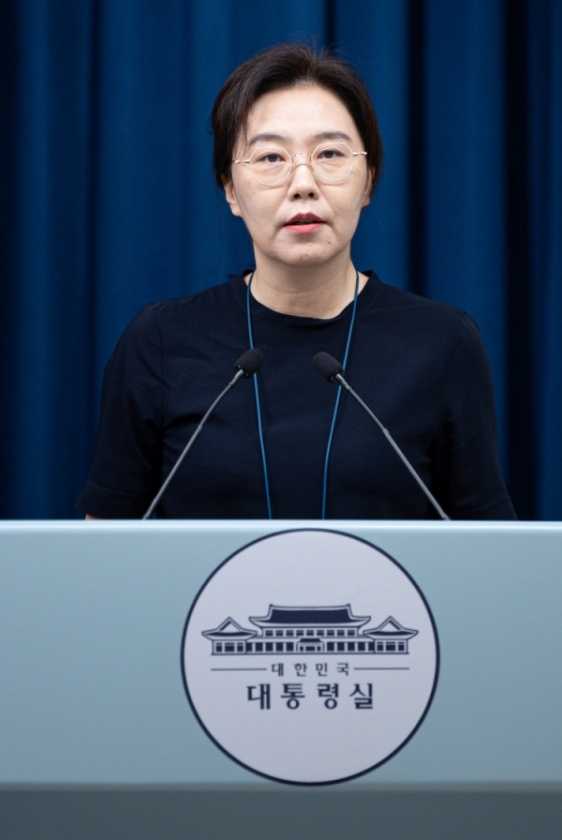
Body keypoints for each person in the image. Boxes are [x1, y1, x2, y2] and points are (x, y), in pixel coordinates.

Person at [79, 43, 515, 521]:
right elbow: (105, 547)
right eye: (271, 158)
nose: (303, 183)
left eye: (330, 154)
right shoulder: (160, 342)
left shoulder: (442, 343)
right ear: (231, 190)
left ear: (368, 180)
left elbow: (484, 548)